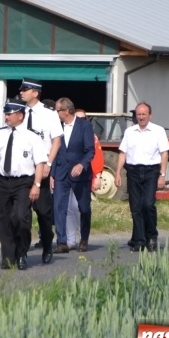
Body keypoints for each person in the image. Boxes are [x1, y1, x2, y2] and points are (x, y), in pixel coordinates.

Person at [0, 98, 47, 270]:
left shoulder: (32, 137)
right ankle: (8, 256)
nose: (6, 117)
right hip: (2, 181)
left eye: (10, 114)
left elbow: (40, 163)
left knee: (21, 217)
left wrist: (37, 185)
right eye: (6, 114)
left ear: (20, 115)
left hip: (23, 182)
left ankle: (22, 253)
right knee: (2, 219)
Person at [115, 102, 169, 253]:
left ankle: (151, 236)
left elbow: (164, 153)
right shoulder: (129, 132)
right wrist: (118, 172)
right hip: (133, 171)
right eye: (138, 114)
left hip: (151, 171)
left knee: (148, 204)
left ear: (150, 115)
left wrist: (162, 175)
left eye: (144, 114)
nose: (141, 117)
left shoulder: (158, 131)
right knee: (136, 207)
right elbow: (123, 153)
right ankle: (139, 240)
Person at [20, 78, 62, 264]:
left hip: (42, 167)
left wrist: (49, 164)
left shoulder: (49, 114)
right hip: (23, 168)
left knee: (44, 212)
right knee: (22, 213)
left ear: (35, 93)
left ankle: (47, 245)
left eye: (25, 90)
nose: (21, 92)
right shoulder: (19, 112)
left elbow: (56, 141)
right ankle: (22, 251)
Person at [51, 98, 95, 254]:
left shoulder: (85, 126)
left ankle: (84, 238)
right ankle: (62, 242)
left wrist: (82, 164)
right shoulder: (56, 127)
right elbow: (55, 151)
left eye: (57, 110)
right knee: (59, 207)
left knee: (84, 208)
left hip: (80, 174)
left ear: (66, 111)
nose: (56, 113)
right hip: (61, 173)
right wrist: (52, 174)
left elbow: (90, 150)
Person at [69, 109, 104, 251]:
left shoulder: (92, 136)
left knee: (82, 209)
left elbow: (96, 158)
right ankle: (70, 239)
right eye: (77, 118)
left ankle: (83, 238)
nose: (80, 122)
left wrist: (98, 176)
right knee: (68, 209)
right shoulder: (66, 131)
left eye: (83, 119)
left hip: (84, 176)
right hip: (67, 176)